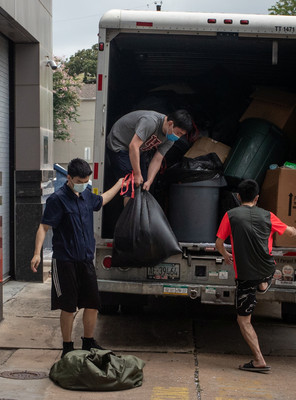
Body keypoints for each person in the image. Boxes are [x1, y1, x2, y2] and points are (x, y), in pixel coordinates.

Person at [31, 158, 124, 357]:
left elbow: (103, 199)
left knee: (92, 304)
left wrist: (119, 183)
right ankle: (67, 347)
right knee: (68, 307)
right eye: (80, 181)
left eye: (86, 181)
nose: (83, 184)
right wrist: (36, 253)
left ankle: (88, 342)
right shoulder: (57, 199)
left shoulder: (88, 196)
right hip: (65, 261)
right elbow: (43, 227)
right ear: (69, 178)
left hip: (85, 260)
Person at [215, 179, 296, 374]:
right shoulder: (268, 215)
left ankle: (259, 360)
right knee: (264, 272)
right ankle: (263, 284)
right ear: (257, 198)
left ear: (238, 197)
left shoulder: (231, 215)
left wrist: (226, 255)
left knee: (244, 320)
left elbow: (219, 243)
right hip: (267, 270)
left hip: (244, 275)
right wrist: (294, 230)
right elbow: (290, 232)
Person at [106, 109, 194, 199]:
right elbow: (133, 146)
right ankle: (132, 212)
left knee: (143, 185)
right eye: (178, 133)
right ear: (170, 123)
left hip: (138, 150)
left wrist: (150, 181)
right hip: (120, 144)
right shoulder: (151, 122)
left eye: (181, 135)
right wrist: (137, 174)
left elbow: (157, 159)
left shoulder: (170, 138)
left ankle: (139, 211)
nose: (178, 137)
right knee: (131, 186)